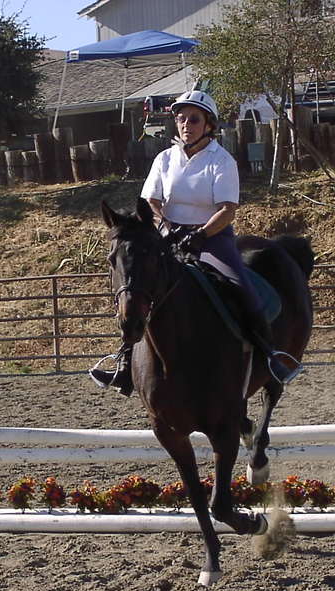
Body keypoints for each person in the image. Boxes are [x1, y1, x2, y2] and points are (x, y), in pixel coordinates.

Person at [89, 90, 300, 397]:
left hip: (212, 239)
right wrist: (165, 226)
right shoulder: (165, 159)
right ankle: (124, 363)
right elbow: (151, 201)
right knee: (137, 287)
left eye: (194, 119)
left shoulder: (221, 160)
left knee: (242, 288)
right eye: (181, 119)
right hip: (167, 237)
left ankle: (270, 357)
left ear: (209, 124)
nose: (186, 124)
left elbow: (227, 210)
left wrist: (200, 234)